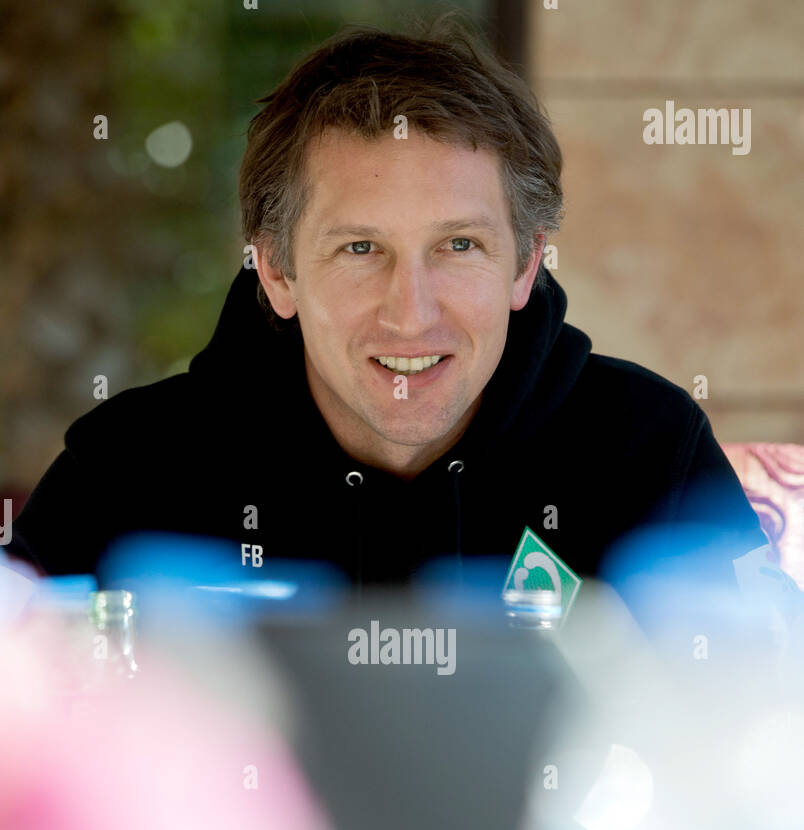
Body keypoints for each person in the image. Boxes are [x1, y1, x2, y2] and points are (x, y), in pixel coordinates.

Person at [9, 17, 768, 615]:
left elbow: (765, 742)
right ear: (276, 270)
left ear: (526, 264)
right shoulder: (124, 474)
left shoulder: (651, 452)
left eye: (459, 245)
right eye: (361, 248)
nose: (412, 312)